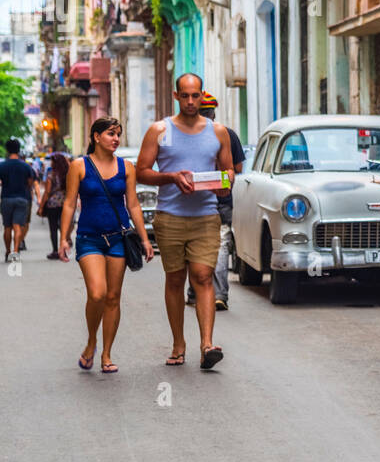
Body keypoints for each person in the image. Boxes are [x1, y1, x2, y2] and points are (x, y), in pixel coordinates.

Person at [136, 73, 233, 369]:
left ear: (202, 95)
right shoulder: (160, 130)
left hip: (206, 215)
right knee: (175, 279)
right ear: (176, 96)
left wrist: (221, 184)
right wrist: (171, 177)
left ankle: (207, 345)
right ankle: (178, 343)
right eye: (185, 96)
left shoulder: (218, 132)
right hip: (170, 217)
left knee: (203, 276)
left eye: (196, 96)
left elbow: (229, 173)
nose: (191, 101)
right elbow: (141, 171)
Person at [58, 117, 153, 373]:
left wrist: (145, 239)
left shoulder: (127, 168)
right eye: (111, 134)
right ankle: (91, 342)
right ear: (96, 136)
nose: (116, 139)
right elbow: (69, 203)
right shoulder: (79, 166)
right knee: (97, 293)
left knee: (113, 297)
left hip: (118, 238)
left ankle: (107, 354)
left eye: (118, 134)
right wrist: (64, 236)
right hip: (89, 238)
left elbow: (133, 204)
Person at [186, 91, 245, 311]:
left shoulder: (186, 135)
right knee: (219, 248)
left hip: (193, 203)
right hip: (221, 203)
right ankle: (219, 294)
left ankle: (194, 293)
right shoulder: (227, 134)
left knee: (192, 247)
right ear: (213, 112)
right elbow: (237, 168)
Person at [0, 139, 39, 262]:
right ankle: (15, 251)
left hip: (6, 198)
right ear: (19, 150)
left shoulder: (1, 166)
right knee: (18, 226)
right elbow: (30, 183)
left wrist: (3, 182)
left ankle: (7, 251)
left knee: (7, 227)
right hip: (22, 198)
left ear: (7, 150)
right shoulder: (25, 166)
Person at [38, 152, 70, 258]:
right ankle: (64, 249)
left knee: (53, 228)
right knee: (63, 227)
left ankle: (55, 250)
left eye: (52, 161)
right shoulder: (68, 174)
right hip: (65, 204)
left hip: (52, 204)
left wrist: (41, 207)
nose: (50, 163)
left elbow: (47, 192)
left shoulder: (51, 175)